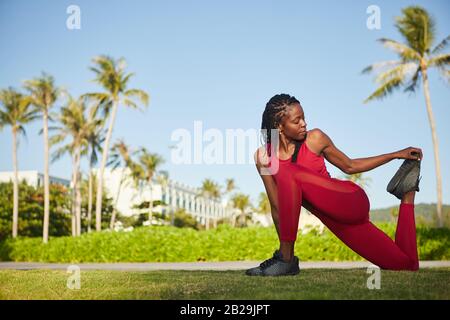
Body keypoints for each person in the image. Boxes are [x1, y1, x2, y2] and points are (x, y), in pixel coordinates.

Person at [246, 94, 423, 276]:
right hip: (339, 222)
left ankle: (286, 260)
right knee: (405, 265)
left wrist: (395, 155)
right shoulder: (264, 158)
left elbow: (350, 165)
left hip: (349, 200)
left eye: (304, 118)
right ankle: (408, 194)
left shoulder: (314, 138)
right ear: (279, 127)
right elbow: (277, 207)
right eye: (297, 120)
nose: (304, 124)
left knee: (288, 171)